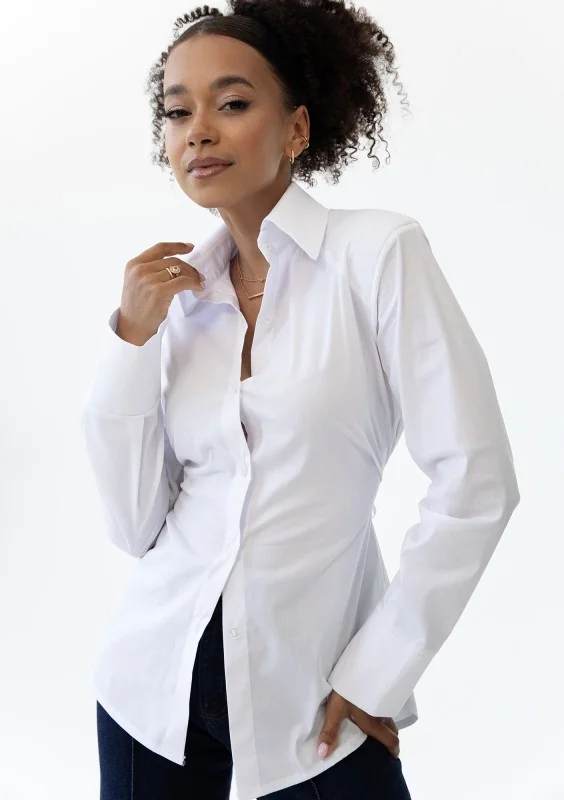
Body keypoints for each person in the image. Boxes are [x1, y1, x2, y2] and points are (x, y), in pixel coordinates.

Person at [82, 2, 521, 799]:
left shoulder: (378, 254)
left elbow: (477, 479)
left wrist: (381, 670)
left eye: (232, 102)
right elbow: (135, 525)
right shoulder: (180, 300)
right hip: (151, 689)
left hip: (313, 702)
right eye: (177, 112)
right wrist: (132, 341)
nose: (198, 131)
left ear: (296, 129)